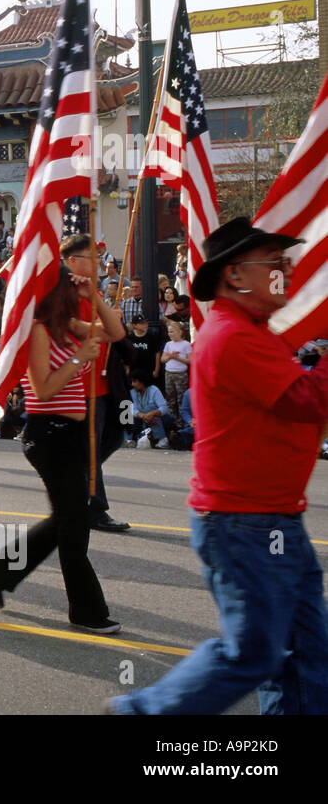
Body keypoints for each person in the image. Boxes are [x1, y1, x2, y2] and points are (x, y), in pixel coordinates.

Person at [112, 217, 328, 714]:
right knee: (253, 654)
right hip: (245, 522)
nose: (287, 271)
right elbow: (306, 399)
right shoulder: (234, 336)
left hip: (271, 519)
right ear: (235, 275)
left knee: (306, 659)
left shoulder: (255, 332)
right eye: (274, 263)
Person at [0, 266, 121, 635]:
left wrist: (95, 296)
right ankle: (87, 610)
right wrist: (80, 359)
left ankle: (2, 568)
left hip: (72, 435)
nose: (74, 293)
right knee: (74, 527)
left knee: (67, 520)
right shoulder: (39, 331)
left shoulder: (69, 326)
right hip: (49, 436)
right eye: (69, 287)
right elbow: (42, 390)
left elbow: (115, 333)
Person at [61, 234, 131, 534]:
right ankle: (96, 508)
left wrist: (104, 313)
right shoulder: (64, 294)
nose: (99, 262)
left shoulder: (93, 291)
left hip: (108, 382)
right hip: (82, 384)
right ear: (73, 261)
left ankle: (80, 475)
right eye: (92, 257)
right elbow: (77, 332)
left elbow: (118, 334)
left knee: (117, 436)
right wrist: (106, 322)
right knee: (90, 449)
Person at [129, 370, 173, 449]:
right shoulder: (132, 392)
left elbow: (164, 408)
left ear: (142, 382)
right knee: (127, 413)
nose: (132, 384)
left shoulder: (154, 390)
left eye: (135, 381)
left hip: (160, 419)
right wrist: (143, 416)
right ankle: (129, 440)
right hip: (142, 419)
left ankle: (162, 439)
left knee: (150, 408)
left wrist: (152, 413)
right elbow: (132, 410)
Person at [161, 319, 192, 420]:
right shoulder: (168, 344)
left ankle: (181, 421)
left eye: (172, 331)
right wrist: (170, 356)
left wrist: (177, 358)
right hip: (169, 373)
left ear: (180, 332)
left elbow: (190, 360)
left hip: (181, 374)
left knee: (181, 398)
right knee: (170, 398)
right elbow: (163, 359)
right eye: (169, 332)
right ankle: (172, 421)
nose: (170, 334)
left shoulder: (186, 344)